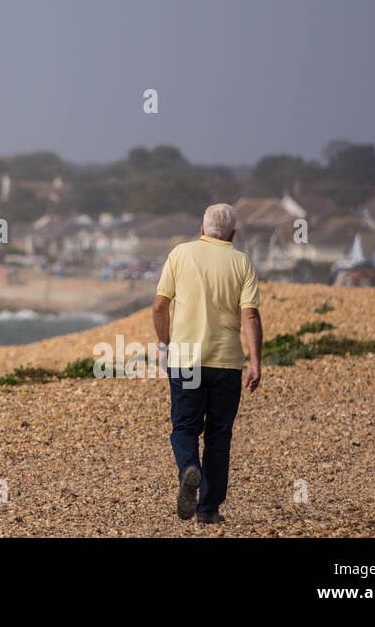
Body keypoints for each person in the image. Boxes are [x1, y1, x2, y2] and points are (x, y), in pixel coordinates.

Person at [151, 202, 262, 524]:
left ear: (202, 229)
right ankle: (209, 510)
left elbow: (159, 307)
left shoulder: (180, 254)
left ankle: (189, 468)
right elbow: (250, 314)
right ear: (233, 233)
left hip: (186, 360)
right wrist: (255, 362)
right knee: (218, 435)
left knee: (184, 427)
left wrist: (163, 346)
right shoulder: (241, 261)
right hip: (227, 363)